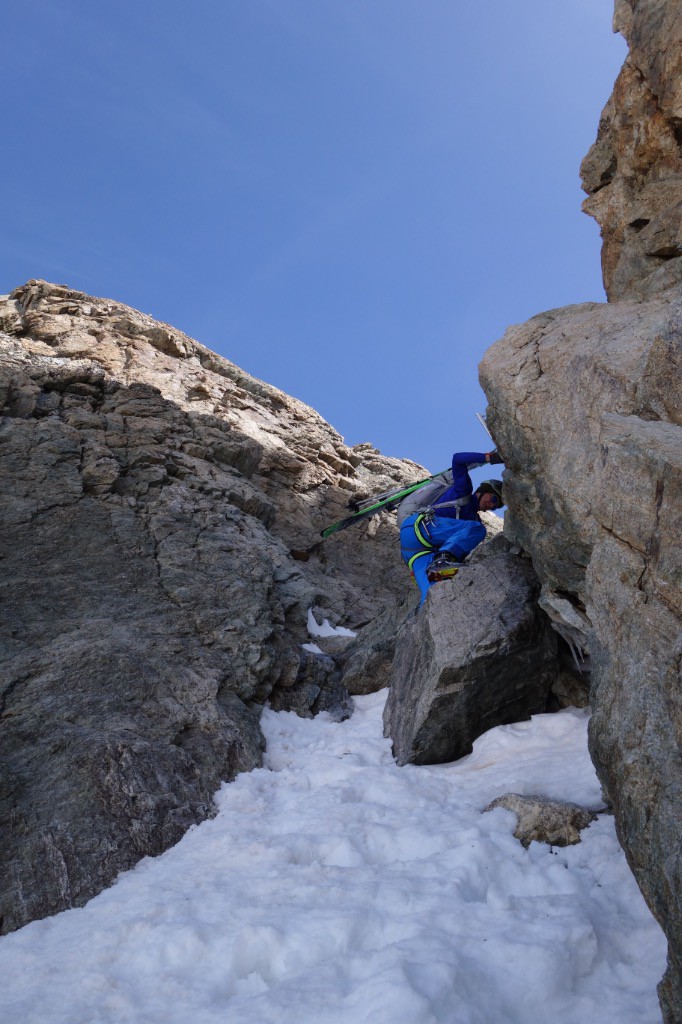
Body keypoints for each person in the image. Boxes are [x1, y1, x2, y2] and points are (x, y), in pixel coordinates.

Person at [399, 450, 504, 604]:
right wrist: (489, 458)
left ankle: (435, 570)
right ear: (484, 491)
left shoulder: (472, 519)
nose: (492, 505)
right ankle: (442, 560)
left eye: (496, 506)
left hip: (415, 553)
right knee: (478, 530)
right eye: (494, 498)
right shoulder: (464, 491)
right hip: (419, 528)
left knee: (433, 595)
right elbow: (458, 459)